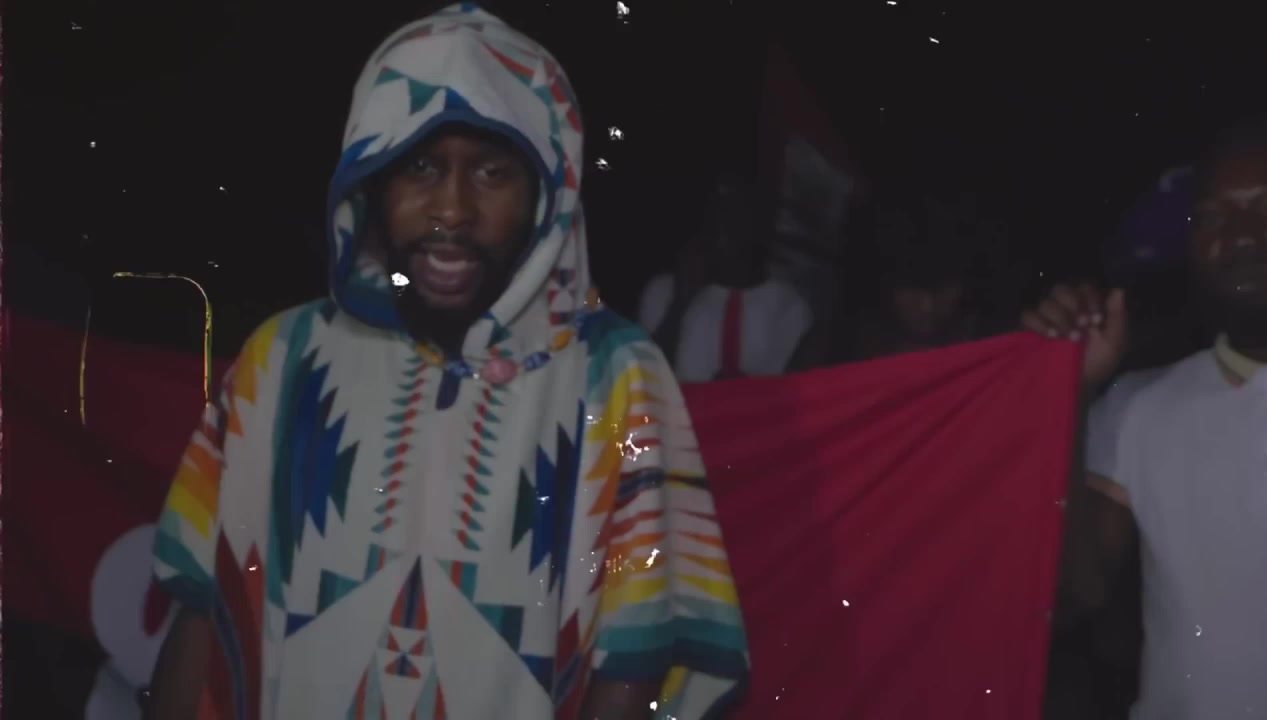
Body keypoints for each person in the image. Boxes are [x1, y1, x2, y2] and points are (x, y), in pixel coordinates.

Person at [144, 6, 748, 719]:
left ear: (547, 195)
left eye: (492, 172)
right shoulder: (283, 359)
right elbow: (203, 605)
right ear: (370, 176)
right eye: (421, 166)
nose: (453, 209)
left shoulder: (612, 376)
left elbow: (635, 650)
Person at [1023, 115, 1267, 719]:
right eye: (1214, 216)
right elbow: (1074, 598)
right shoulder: (1138, 407)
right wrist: (1068, 394)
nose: (1242, 237)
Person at [636, 171, 815, 381]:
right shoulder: (662, 292)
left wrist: (733, 394)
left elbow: (788, 392)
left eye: (737, 217)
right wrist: (679, 305)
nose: (723, 231)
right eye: (716, 215)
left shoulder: (789, 306)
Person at [841, 189, 980, 362]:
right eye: (913, 289)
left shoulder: (980, 348)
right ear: (887, 286)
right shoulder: (852, 345)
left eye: (941, 289)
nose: (927, 306)